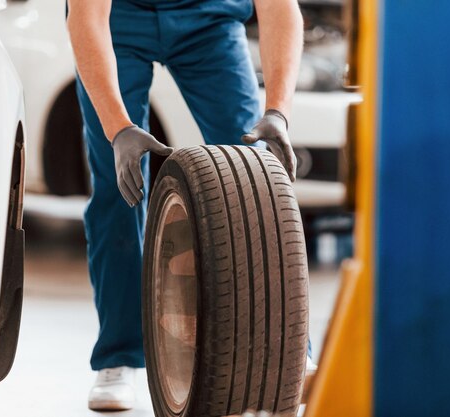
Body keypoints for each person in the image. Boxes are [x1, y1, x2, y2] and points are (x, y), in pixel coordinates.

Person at [67, 0, 309, 411]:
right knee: (117, 183)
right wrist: (119, 129)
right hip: (119, 20)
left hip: (209, 17)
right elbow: (87, 17)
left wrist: (278, 112)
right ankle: (119, 354)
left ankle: (288, 347)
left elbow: (280, 7)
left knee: (252, 169)